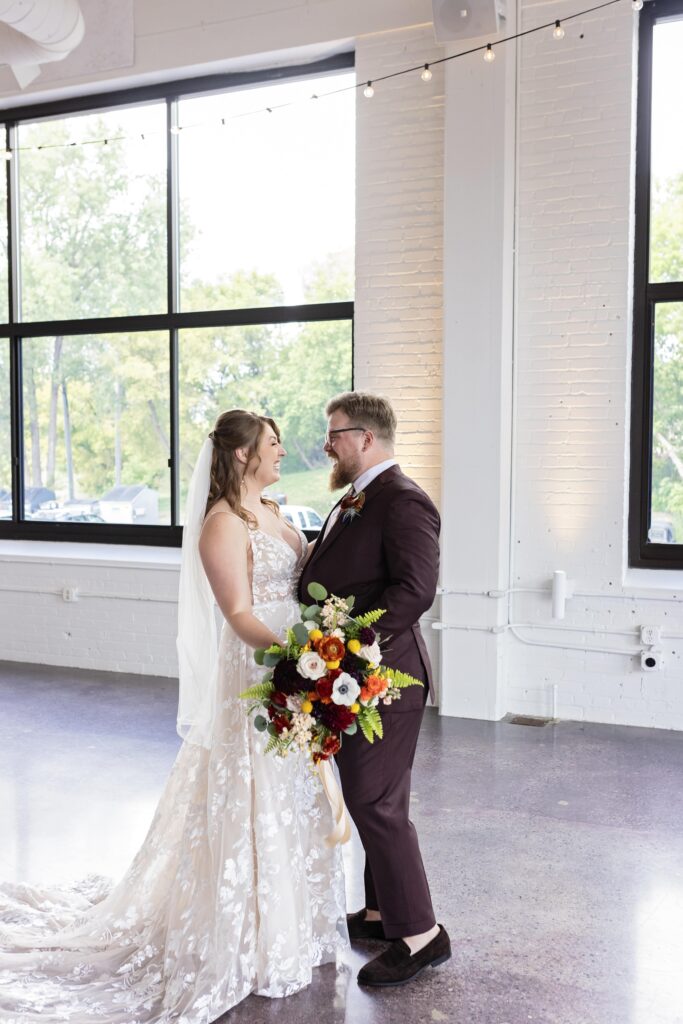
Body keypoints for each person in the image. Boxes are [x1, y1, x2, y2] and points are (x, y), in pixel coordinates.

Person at [0, 409, 347, 1023]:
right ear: (241, 456)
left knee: (291, 795)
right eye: (270, 445)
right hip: (262, 670)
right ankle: (244, 936)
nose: (279, 452)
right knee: (250, 793)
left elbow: (304, 570)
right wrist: (295, 662)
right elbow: (239, 613)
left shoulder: (274, 511)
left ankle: (294, 926)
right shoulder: (221, 524)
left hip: (299, 669)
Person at [299, 391, 451, 987]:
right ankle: (381, 911)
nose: (327, 444)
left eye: (334, 433)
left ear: (366, 437)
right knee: (374, 796)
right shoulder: (359, 497)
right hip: (358, 677)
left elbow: (415, 590)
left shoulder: (404, 500)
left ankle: (420, 935)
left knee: (376, 804)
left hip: (384, 678)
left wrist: (352, 643)